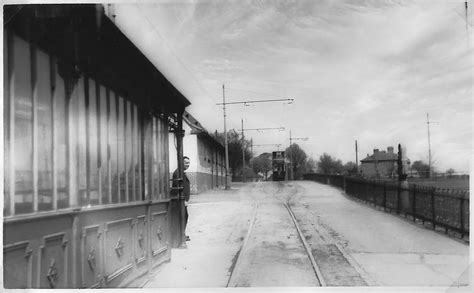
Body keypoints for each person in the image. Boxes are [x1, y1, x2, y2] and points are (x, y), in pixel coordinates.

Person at [171, 156, 191, 243]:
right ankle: (180, 235)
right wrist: (183, 200)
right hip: (180, 200)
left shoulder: (181, 172)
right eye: (186, 163)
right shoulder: (178, 173)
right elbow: (178, 188)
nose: (188, 165)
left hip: (182, 200)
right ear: (181, 163)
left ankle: (181, 234)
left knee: (183, 217)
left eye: (189, 163)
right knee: (183, 217)